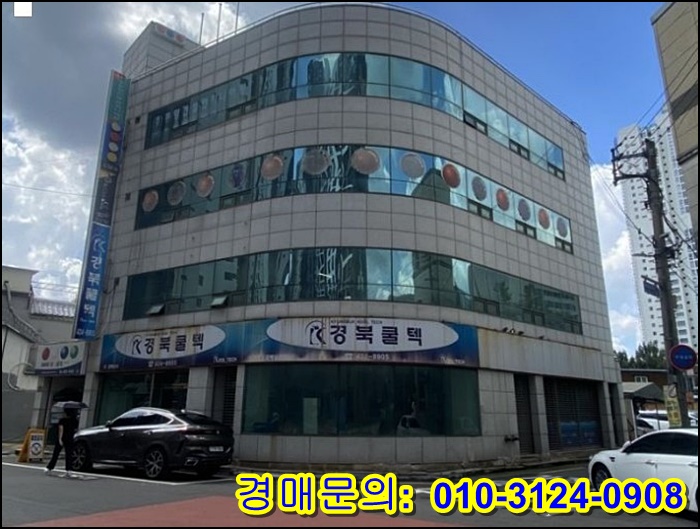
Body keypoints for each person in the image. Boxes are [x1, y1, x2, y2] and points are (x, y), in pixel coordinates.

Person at [44, 408, 79, 477]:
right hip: (70, 438)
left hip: (63, 438)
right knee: (69, 455)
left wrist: (60, 439)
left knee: (56, 454)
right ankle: (69, 470)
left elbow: (61, 430)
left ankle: (50, 467)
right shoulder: (74, 420)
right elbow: (75, 429)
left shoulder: (62, 420)